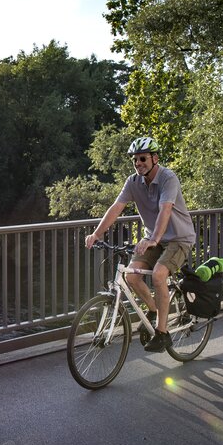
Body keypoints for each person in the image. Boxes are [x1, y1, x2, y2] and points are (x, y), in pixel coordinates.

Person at [84, 136, 196, 353]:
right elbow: (117, 207)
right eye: (135, 160)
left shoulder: (167, 178)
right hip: (153, 238)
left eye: (142, 159)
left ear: (155, 158)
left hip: (178, 239)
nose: (138, 164)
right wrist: (97, 233)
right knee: (131, 277)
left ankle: (162, 334)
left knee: (158, 275)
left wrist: (153, 239)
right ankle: (154, 311)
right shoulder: (133, 182)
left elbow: (165, 210)